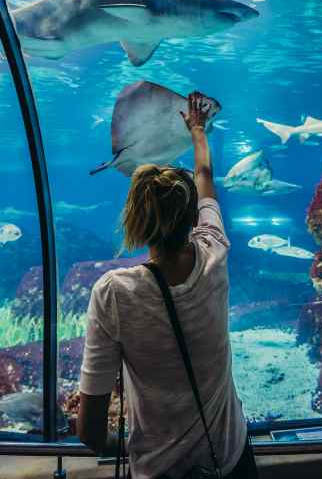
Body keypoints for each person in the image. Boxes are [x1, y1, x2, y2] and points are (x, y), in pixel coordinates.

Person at [77, 91, 258, 479]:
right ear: (193, 215)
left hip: (159, 469)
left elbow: (89, 430)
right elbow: (205, 178)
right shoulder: (214, 253)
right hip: (229, 457)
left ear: (135, 222)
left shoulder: (113, 293)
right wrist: (198, 131)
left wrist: (127, 449)